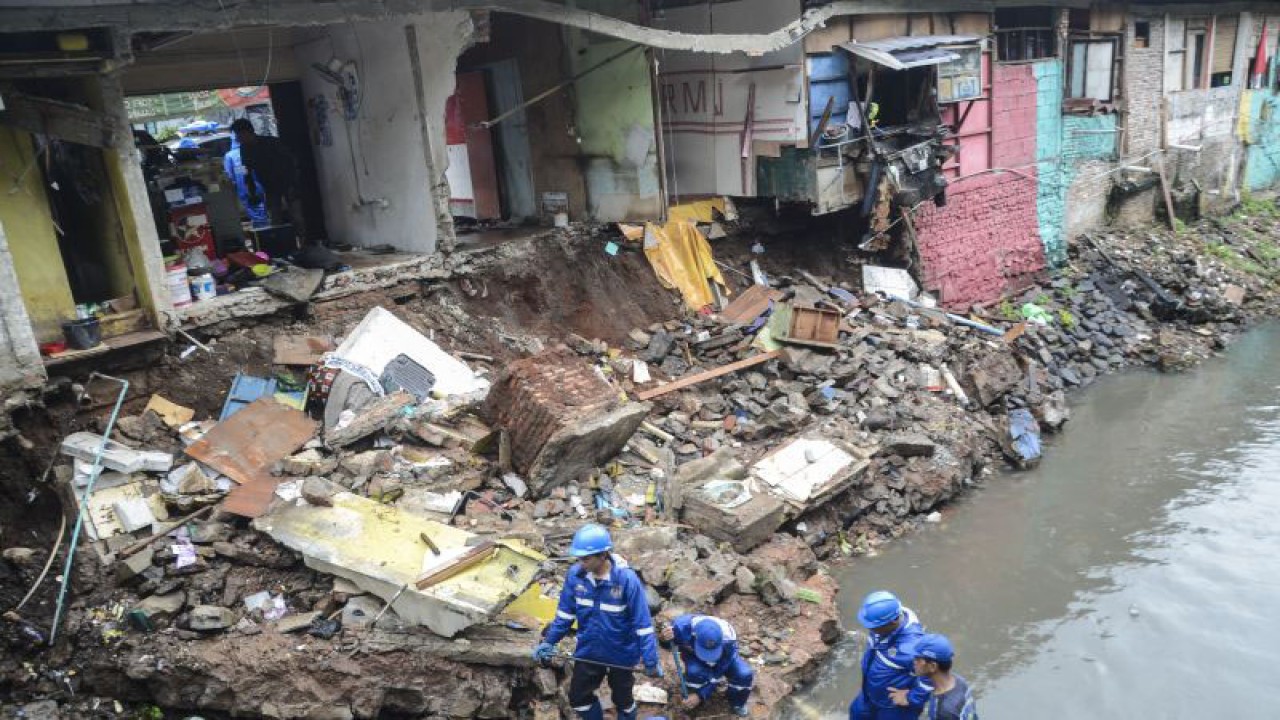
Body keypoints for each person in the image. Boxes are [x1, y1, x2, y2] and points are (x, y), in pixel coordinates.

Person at [532, 524, 662, 720]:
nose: (580, 562)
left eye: (586, 558)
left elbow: (642, 625)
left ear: (603, 555)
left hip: (622, 654)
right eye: (579, 557)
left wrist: (651, 660)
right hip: (589, 651)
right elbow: (565, 616)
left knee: (623, 701)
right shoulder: (576, 577)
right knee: (578, 699)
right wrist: (549, 642)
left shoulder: (626, 580)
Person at [848, 590, 933, 720]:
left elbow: (932, 675)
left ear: (893, 622)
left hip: (894, 707)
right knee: (856, 713)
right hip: (870, 693)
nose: (870, 629)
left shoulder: (911, 648)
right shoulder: (893, 615)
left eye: (874, 626)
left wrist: (912, 697)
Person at [659, 613, 753, 716]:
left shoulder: (728, 638)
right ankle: (692, 697)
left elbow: (719, 672)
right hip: (694, 657)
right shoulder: (680, 628)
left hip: (723, 658)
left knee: (744, 674)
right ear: (694, 635)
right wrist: (663, 639)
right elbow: (669, 646)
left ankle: (737, 703)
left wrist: (701, 694)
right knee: (695, 672)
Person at [229, 118, 303, 236]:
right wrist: (251, 193)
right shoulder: (244, 149)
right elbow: (246, 171)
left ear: (246, 132)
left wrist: (295, 184)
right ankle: (283, 247)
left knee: (297, 217)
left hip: (288, 184)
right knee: (275, 219)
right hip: (270, 188)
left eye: (238, 135)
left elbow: (291, 162)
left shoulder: (272, 142)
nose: (237, 139)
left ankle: (306, 245)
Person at [896, 634, 978, 720]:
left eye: (918, 659)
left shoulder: (943, 712)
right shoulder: (959, 681)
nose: (914, 661)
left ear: (932, 666)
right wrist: (910, 696)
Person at [222, 132, 270, 229]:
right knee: (263, 212)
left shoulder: (229, 156)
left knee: (257, 216)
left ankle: (263, 235)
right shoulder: (252, 150)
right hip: (261, 186)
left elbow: (229, 176)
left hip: (245, 189)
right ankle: (266, 232)